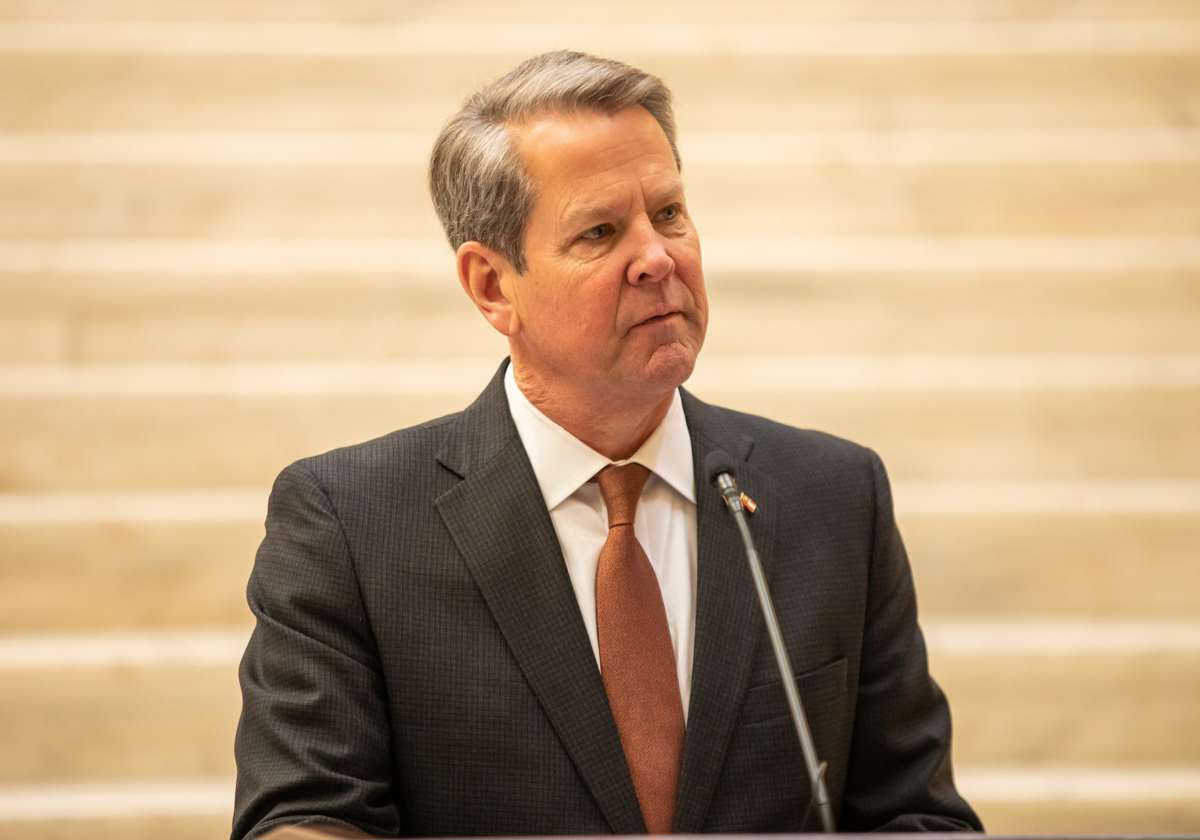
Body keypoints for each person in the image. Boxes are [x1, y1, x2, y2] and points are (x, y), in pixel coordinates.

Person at [232, 50, 982, 839]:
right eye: (600, 232)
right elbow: (307, 816)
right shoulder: (353, 526)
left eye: (669, 213)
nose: (658, 258)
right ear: (493, 286)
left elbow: (915, 815)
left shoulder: (834, 497)